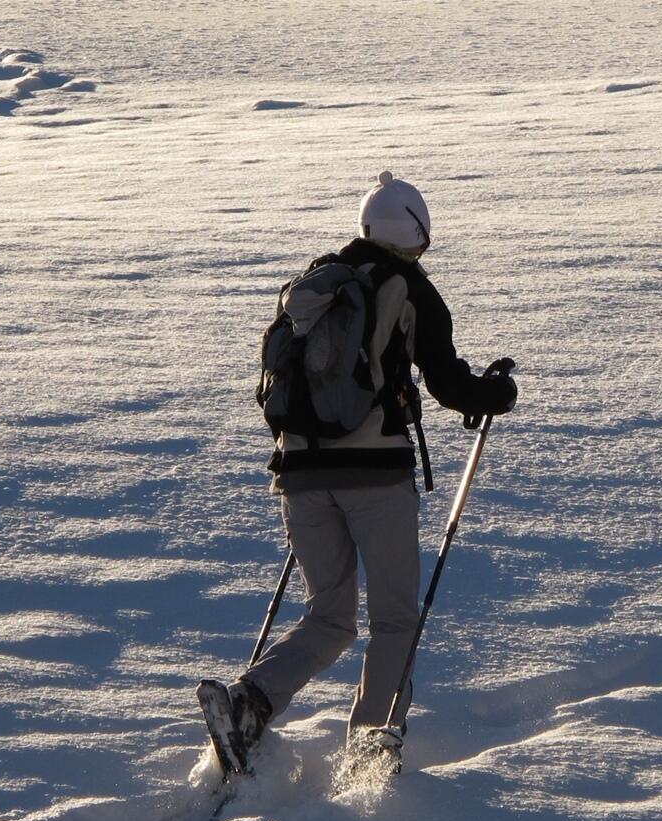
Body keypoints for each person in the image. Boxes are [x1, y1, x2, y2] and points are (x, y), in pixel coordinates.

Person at [199, 171, 517, 773]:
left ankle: (248, 702)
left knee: (329, 617)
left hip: (298, 471)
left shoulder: (315, 284)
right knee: (395, 618)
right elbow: (449, 384)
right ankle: (373, 744)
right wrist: (495, 393)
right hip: (374, 476)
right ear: (417, 234)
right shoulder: (409, 287)